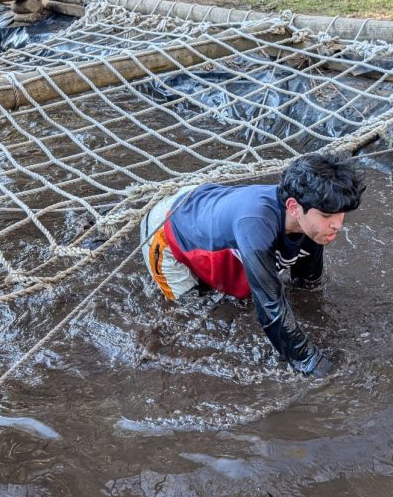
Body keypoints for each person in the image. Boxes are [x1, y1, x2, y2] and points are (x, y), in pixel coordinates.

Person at [140, 152, 365, 376]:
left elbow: (307, 284)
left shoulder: (311, 218)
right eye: (326, 215)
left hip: (211, 205)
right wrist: (314, 364)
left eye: (341, 213)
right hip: (168, 227)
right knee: (195, 311)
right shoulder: (256, 225)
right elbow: (270, 308)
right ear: (294, 208)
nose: (337, 225)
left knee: (253, 289)